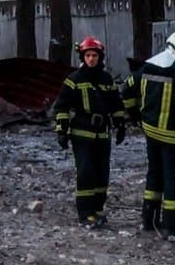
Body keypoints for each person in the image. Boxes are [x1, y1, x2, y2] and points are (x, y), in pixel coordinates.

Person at [51, 36, 133, 228]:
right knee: (86, 173)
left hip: (103, 135)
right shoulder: (74, 80)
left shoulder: (106, 79)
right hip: (82, 135)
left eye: (94, 55)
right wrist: (62, 131)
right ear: (82, 56)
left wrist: (121, 125)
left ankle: (97, 210)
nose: (91, 59)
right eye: (87, 55)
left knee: (102, 175)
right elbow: (61, 107)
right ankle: (85, 213)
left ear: (100, 57)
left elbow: (116, 104)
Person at [137, 29, 175, 240]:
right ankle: (174, 225)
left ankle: (149, 218)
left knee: (154, 174)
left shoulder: (149, 64)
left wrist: (135, 115)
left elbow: (128, 91)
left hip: (150, 131)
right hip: (171, 134)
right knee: (174, 178)